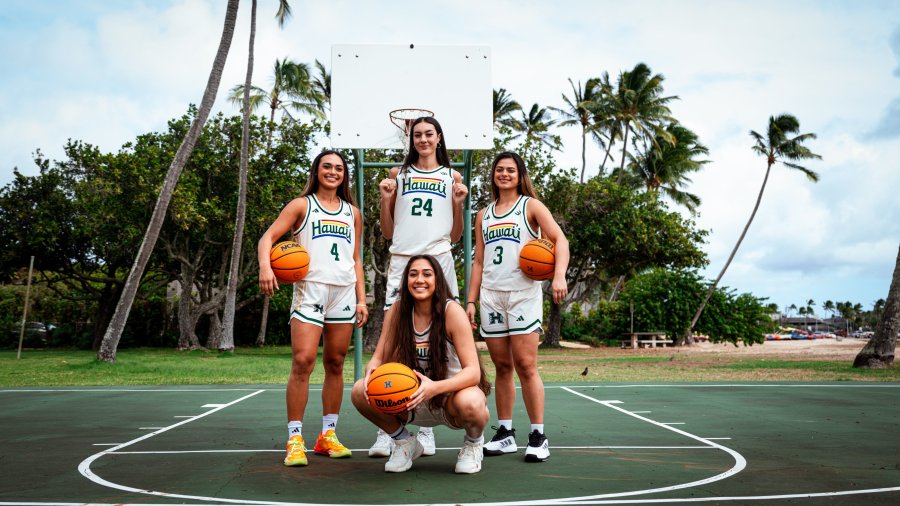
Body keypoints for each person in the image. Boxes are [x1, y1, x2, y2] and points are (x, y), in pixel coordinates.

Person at [258, 150, 368, 467]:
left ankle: (327, 436)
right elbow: (268, 238)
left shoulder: (353, 213)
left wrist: (362, 298)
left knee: (335, 362)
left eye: (338, 168)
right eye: (326, 167)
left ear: (344, 175)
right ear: (316, 171)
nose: (332, 172)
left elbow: (356, 259)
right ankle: (295, 439)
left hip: (344, 292)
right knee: (303, 361)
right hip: (311, 288)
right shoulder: (301, 205)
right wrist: (266, 267)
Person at [370, 116, 468, 457]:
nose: (423, 139)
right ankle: (390, 424)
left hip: (438, 260)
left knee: (438, 338)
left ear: (439, 137)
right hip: (402, 259)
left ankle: (427, 428)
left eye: (429, 134)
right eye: (417, 135)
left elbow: (456, 236)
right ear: (410, 140)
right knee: (396, 340)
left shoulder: (452, 177)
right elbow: (386, 231)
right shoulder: (399, 176)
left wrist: (457, 205)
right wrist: (385, 199)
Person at [465, 151, 569, 462]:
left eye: (510, 170)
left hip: (523, 293)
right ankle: (506, 433)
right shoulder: (483, 214)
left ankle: (538, 435)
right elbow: (479, 261)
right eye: (499, 170)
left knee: (526, 365)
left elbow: (559, 240)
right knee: (502, 367)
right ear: (493, 175)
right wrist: (470, 300)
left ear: (519, 174)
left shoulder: (531, 206)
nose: (504, 174)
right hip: (492, 294)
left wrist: (559, 275)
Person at [351, 255, 491, 474]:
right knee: (361, 390)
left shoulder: (451, 312)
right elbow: (378, 358)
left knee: (473, 402)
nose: (420, 279)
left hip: (449, 398)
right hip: (410, 399)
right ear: (406, 280)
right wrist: (372, 370)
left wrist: (435, 387)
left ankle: (473, 445)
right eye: (413, 274)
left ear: (437, 280)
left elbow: (473, 373)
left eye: (427, 274)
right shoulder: (398, 311)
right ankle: (405, 442)